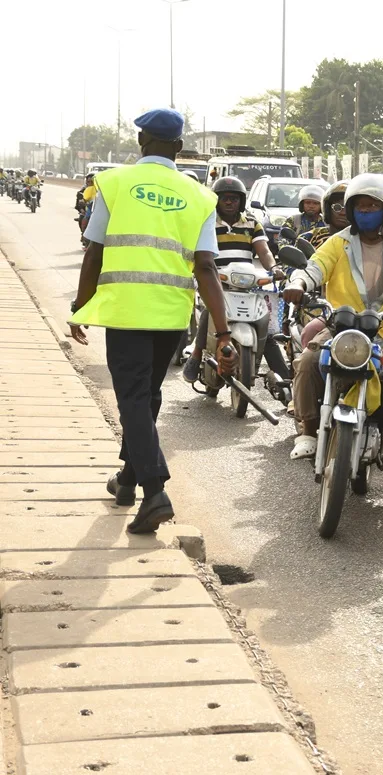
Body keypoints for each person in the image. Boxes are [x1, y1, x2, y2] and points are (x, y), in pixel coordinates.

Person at [68, 108, 237, 533]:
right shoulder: (199, 196)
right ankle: (127, 479)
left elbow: (96, 250)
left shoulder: (116, 182)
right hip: (170, 316)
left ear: (141, 142)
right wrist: (223, 331)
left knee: (133, 400)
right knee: (146, 396)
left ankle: (154, 490)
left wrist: (80, 306)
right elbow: (205, 268)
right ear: (179, 148)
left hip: (126, 311)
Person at [281, 173, 383, 508]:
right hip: (341, 328)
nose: (366, 211)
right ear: (350, 210)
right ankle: (309, 430)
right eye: (360, 206)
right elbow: (314, 268)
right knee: (309, 361)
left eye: (374, 206)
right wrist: (299, 283)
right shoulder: (337, 243)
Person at [182, 175, 278, 383]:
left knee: (265, 319)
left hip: (244, 284)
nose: (228, 202)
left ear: (241, 201)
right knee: (210, 310)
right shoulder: (206, 221)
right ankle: (197, 354)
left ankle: (282, 376)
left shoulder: (252, 223)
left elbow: (264, 251)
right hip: (215, 282)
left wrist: (274, 267)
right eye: (224, 198)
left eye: (233, 198)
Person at [301, 180, 348, 249]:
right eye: (337, 207)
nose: (343, 213)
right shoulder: (309, 238)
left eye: (348, 208)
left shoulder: (363, 241)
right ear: (327, 209)